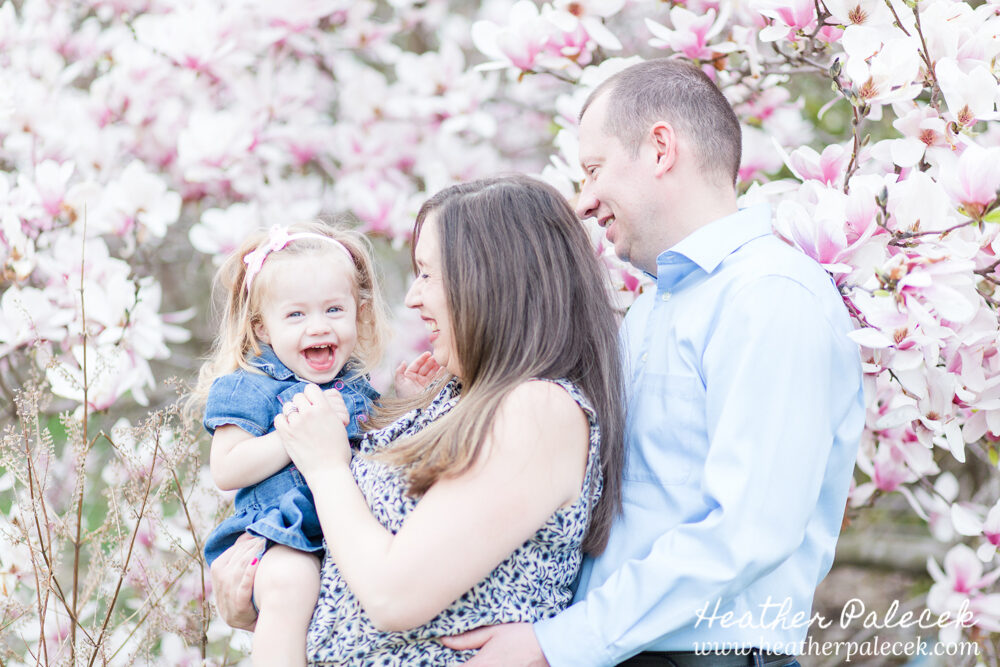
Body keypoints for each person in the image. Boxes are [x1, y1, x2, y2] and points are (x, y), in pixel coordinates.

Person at [445, 59, 866, 666]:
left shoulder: (771, 296)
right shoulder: (654, 308)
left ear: (660, 148)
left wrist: (556, 644)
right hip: (619, 644)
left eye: (593, 169)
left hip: (701, 651)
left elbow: (747, 530)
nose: (584, 201)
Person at [209, 175, 628, 665]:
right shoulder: (458, 395)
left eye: (428, 275)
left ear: (493, 280)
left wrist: (326, 467)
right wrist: (257, 592)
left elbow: (392, 595)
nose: (411, 299)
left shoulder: (538, 409)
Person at [193, 221, 400, 666]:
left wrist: (403, 396)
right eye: (296, 315)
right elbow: (227, 468)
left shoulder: (356, 387)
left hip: (343, 532)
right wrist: (298, 437)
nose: (318, 326)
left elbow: (380, 443)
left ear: (358, 313)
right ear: (262, 329)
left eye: (334, 310)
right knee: (290, 583)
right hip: (277, 537)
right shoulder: (249, 386)